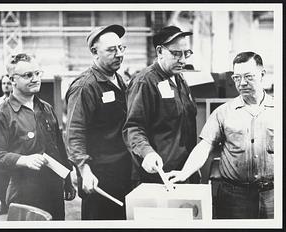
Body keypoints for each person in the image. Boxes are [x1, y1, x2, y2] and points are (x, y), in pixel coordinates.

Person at [167, 51, 274, 219]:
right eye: (237, 78)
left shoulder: (278, 110)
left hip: (273, 194)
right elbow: (205, 145)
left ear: (262, 75)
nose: (242, 83)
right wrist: (184, 172)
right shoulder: (223, 112)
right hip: (234, 197)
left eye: (248, 76)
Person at [0, 53, 76, 220]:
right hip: (24, 196)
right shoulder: (2, 114)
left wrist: (67, 180)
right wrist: (23, 160)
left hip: (54, 193)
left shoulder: (46, 108)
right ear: (13, 80)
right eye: (28, 75)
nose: (35, 79)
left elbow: (58, 147)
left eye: (37, 73)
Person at [65, 24, 132, 220]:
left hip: (124, 171)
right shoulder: (85, 86)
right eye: (111, 50)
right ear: (94, 52)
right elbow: (74, 132)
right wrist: (85, 170)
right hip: (99, 177)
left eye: (121, 48)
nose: (119, 54)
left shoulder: (120, 81)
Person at [122, 26, 200, 185]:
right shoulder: (145, 82)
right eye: (176, 54)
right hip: (157, 176)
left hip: (182, 173)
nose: (183, 60)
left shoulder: (179, 79)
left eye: (186, 53)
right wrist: (148, 153)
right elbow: (133, 127)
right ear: (159, 51)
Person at [0, 74, 13, 215]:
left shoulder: (16, 103)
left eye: (8, 83)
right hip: (1, 143)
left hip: (13, 143)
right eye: (3, 83)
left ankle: (12, 204)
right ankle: (3, 203)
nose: (6, 85)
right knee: (0, 177)